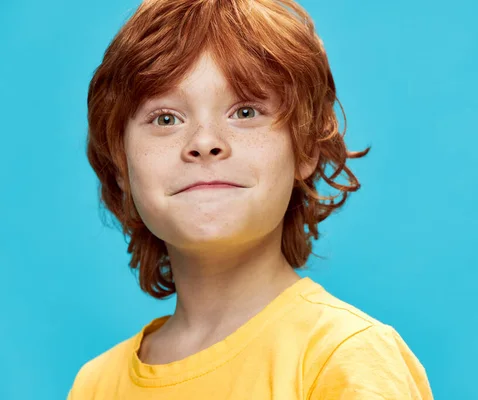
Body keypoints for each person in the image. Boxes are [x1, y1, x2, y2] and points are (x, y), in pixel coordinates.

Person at [68, 0, 434, 398]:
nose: (204, 143)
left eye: (245, 112)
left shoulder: (345, 357)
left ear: (305, 149)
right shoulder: (95, 384)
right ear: (121, 167)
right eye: (166, 118)